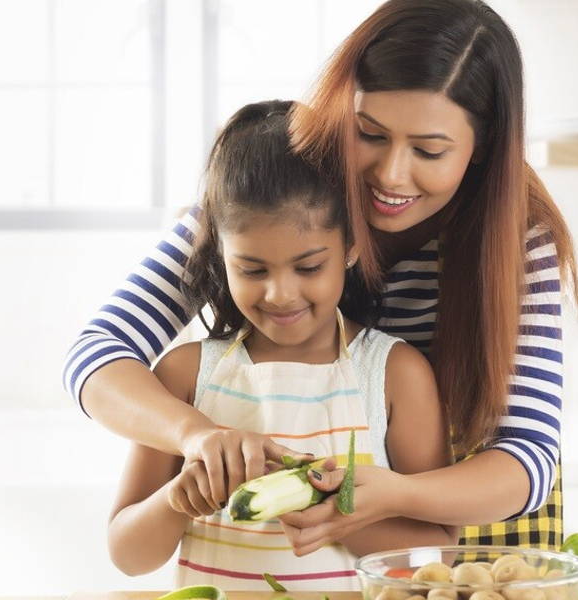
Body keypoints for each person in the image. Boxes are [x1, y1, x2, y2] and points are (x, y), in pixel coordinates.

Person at [66, 0, 578, 554]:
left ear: (482, 149)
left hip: (469, 515)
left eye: (429, 150)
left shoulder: (516, 235)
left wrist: (391, 495)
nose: (390, 174)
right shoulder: (288, 187)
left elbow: (525, 460)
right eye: (371, 134)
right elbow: (97, 352)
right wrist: (195, 435)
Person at [107, 100, 455, 589]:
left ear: (351, 247)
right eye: (251, 270)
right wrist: (175, 500)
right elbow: (127, 554)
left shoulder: (396, 373)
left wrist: (336, 512)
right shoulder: (186, 374)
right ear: (221, 256)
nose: (280, 294)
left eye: (309, 267)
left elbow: (440, 555)